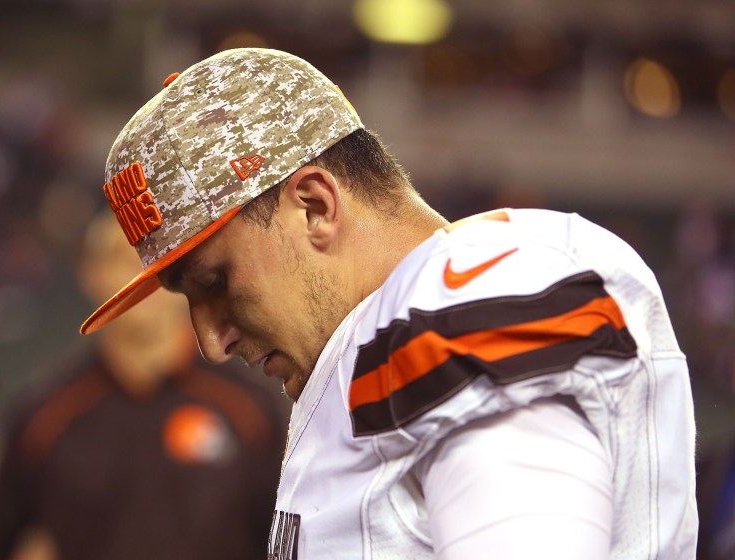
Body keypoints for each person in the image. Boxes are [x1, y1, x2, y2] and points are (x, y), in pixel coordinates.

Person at [80, 48, 699, 559]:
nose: (211, 342)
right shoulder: (375, 336)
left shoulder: (467, 298)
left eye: (215, 282)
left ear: (316, 207)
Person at [0, 210, 288, 560]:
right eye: (121, 259)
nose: (142, 277)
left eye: (157, 260)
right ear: (91, 274)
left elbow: (292, 539)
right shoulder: (45, 418)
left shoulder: (249, 410)